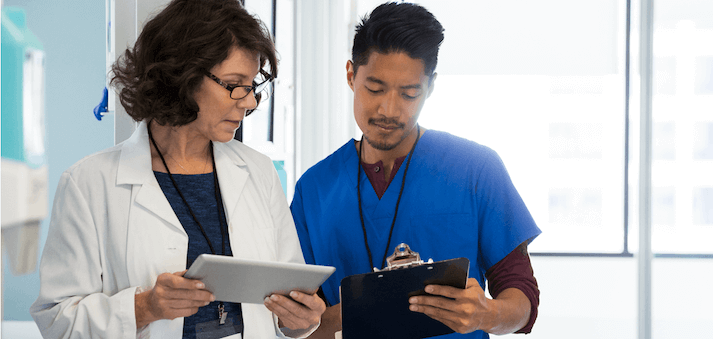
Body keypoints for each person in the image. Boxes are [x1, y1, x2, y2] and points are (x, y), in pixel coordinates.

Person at [30, 0, 325, 338]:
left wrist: (300, 318)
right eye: (235, 84)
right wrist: (145, 308)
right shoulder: (90, 184)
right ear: (183, 75)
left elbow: (287, 301)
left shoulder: (258, 172)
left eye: (252, 85)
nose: (250, 101)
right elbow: (56, 321)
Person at [291, 2, 542, 338]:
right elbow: (295, 321)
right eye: (375, 89)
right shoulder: (314, 189)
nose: (389, 109)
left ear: (431, 87)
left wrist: (487, 313)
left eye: (409, 93)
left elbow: (522, 298)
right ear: (351, 75)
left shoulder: (477, 169)